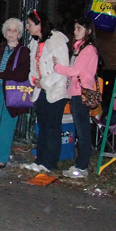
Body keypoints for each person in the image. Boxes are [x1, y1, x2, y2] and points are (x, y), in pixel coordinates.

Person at [22, 10, 69, 173]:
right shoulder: (34, 43)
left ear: (38, 24)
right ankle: (40, 159)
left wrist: (45, 82)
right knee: (42, 125)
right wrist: (34, 80)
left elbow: (63, 67)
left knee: (52, 126)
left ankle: (50, 162)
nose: (27, 27)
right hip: (40, 90)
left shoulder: (57, 40)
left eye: (29, 24)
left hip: (55, 90)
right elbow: (33, 67)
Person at [53, 17, 99, 178]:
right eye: (75, 28)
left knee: (83, 130)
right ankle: (80, 164)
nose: (75, 31)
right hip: (75, 93)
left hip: (81, 93)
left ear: (88, 31)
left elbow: (75, 71)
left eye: (79, 28)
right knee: (81, 129)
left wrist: (57, 67)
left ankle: (82, 166)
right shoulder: (79, 49)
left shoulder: (88, 49)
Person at [0, 18, 30, 168]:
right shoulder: (1, 50)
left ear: (19, 33)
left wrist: (1, 75)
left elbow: (22, 74)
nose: (11, 33)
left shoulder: (23, 52)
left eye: (15, 30)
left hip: (12, 92)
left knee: (7, 124)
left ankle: (1, 158)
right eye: (9, 30)